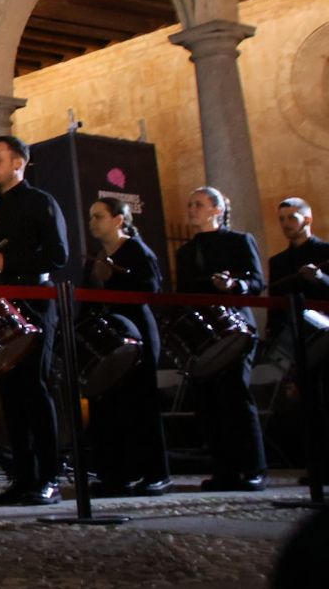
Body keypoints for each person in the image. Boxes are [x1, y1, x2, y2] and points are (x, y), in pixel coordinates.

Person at [0, 135, 68, 507]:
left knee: (34, 391)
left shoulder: (41, 203)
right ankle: (23, 476)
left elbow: (58, 255)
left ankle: (49, 477)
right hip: (2, 308)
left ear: (19, 163)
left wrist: (8, 263)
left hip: (35, 304)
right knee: (11, 395)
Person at [178, 185, 267, 491]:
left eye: (199, 204)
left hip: (236, 328)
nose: (192, 210)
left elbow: (256, 282)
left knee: (236, 397)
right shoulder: (185, 252)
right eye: (190, 205)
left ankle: (253, 469)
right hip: (203, 335)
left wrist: (235, 286)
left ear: (217, 210)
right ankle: (224, 470)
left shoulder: (240, 241)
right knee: (210, 402)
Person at [83, 197, 172, 496]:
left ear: (119, 220)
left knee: (141, 404)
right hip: (108, 339)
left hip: (137, 334)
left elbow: (151, 290)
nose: (93, 222)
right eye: (91, 217)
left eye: (99, 216)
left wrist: (116, 279)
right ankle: (115, 474)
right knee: (107, 405)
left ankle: (155, 473)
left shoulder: (137, 251)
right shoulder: (96, 256)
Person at [269, 197, 329, 484]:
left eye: (291, 218)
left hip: (325, 336)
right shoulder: (278, 262)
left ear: (307, 219)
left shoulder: (325, 251)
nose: (285, 224)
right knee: (308, 405)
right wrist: (272, 338)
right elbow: (275, 303)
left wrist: (320, 279)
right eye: (281, 219)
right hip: (295, 338)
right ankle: (316, 465)